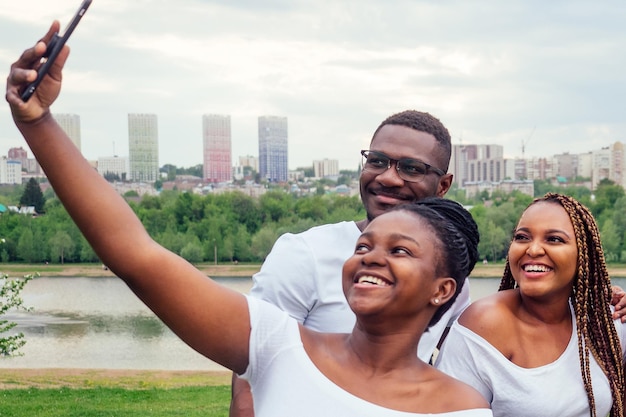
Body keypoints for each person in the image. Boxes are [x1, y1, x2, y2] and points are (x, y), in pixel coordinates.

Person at [6, 23, 493, 416]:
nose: (370, 257)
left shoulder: (463, 408)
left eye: (399, 251)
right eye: (364, 246)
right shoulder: (278, 347)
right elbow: (137, 255)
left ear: (444, 291)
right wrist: (37, 122)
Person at [231, 107, 468, 415]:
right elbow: (249, 374)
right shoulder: (304, 253)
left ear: (443, 186)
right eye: (377, 161)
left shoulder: (447, 278)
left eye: (411, 168)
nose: (388, 178)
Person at [436, 193, 626, 417]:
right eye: (522, 237)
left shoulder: (606, 320)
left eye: (554, 239)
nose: (533, 250)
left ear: (585, 255)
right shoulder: (483, 323)